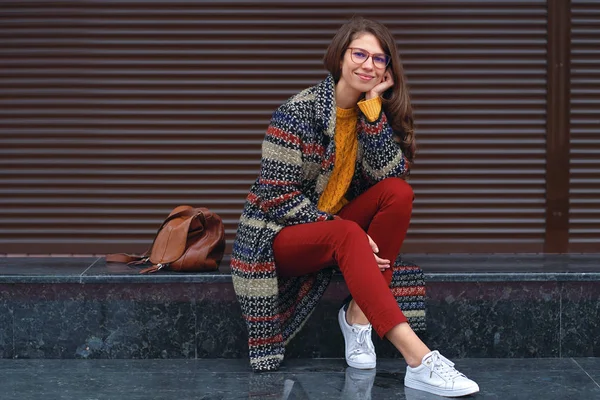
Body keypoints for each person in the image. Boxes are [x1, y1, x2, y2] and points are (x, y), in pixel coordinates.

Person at [231, 16, 479, 397]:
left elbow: (391, 176)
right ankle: (420, 360)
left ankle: (358, 317)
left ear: (387, 69)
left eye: (379, 59)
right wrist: (346, 232)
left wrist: (373, 113)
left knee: (398, 192)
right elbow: (275, 195)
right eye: (359, 54)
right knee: (347, 232)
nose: (368, 65)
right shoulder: (297, 112)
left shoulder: (375, 113)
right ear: (340, 56)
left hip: (334, 230)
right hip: (276, 236)